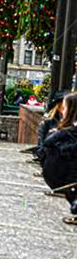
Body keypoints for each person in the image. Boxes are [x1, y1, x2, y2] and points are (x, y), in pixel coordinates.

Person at [39, 92, 77, 224]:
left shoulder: (67, 134)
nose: (63, 111)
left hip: (63, 180)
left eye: (65, 108)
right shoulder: (62, 132)